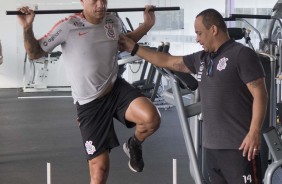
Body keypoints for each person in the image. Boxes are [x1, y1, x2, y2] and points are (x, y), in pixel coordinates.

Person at [17, 1, 161, 184]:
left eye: (104, 0)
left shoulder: (113, 20)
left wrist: (147, 25)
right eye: (94, 0)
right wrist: (27, 28)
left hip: (115, 89)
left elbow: (125, 42)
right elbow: (34, 53)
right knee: (99, 172)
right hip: (90, 104)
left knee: (151, 119)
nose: (101, 4)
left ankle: (134, 144)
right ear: (82, 1)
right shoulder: (67, 26)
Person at [119, 8, 268, 184]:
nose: (197, 39)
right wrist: (133, 47)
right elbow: (168, 61)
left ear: (213, 29)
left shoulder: (241, 54)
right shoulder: (202, 59)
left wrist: (254, 132)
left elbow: (261, 94)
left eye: (199, 33)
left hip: (240, 147)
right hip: (212, 148)